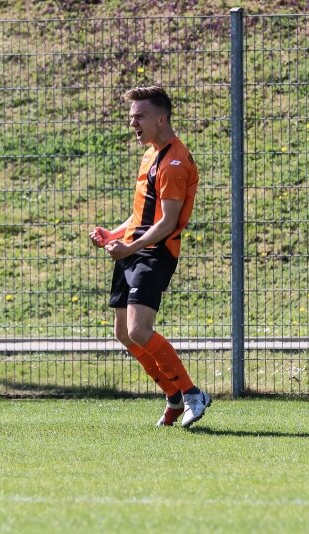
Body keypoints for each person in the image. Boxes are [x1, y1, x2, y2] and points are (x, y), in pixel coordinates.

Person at [90, 86, 210, 428]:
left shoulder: (174, 162)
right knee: (124, 334)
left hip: (154, 253)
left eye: (139, 117)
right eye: (131, 117)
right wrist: (113, 235)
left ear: (161, 119)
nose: (133, 124)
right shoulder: (150, 155)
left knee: (139, 330)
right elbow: (141, 215)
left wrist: (129, 248)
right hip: (132, 250)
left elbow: (167, 223)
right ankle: (173, 397)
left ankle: (192, 393)